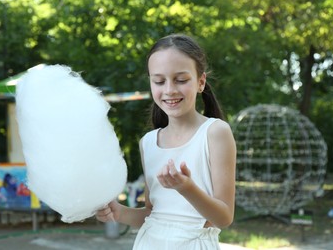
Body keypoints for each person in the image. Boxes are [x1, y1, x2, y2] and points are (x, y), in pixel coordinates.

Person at [96, 34, 236, 249]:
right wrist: (120, 212)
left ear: (201, 82)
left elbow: (224, 218)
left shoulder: (215, 132)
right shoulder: (148, 143)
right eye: (159, 81)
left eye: (181, 80)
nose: (170, 89)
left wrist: (187, 188)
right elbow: (154, 214)